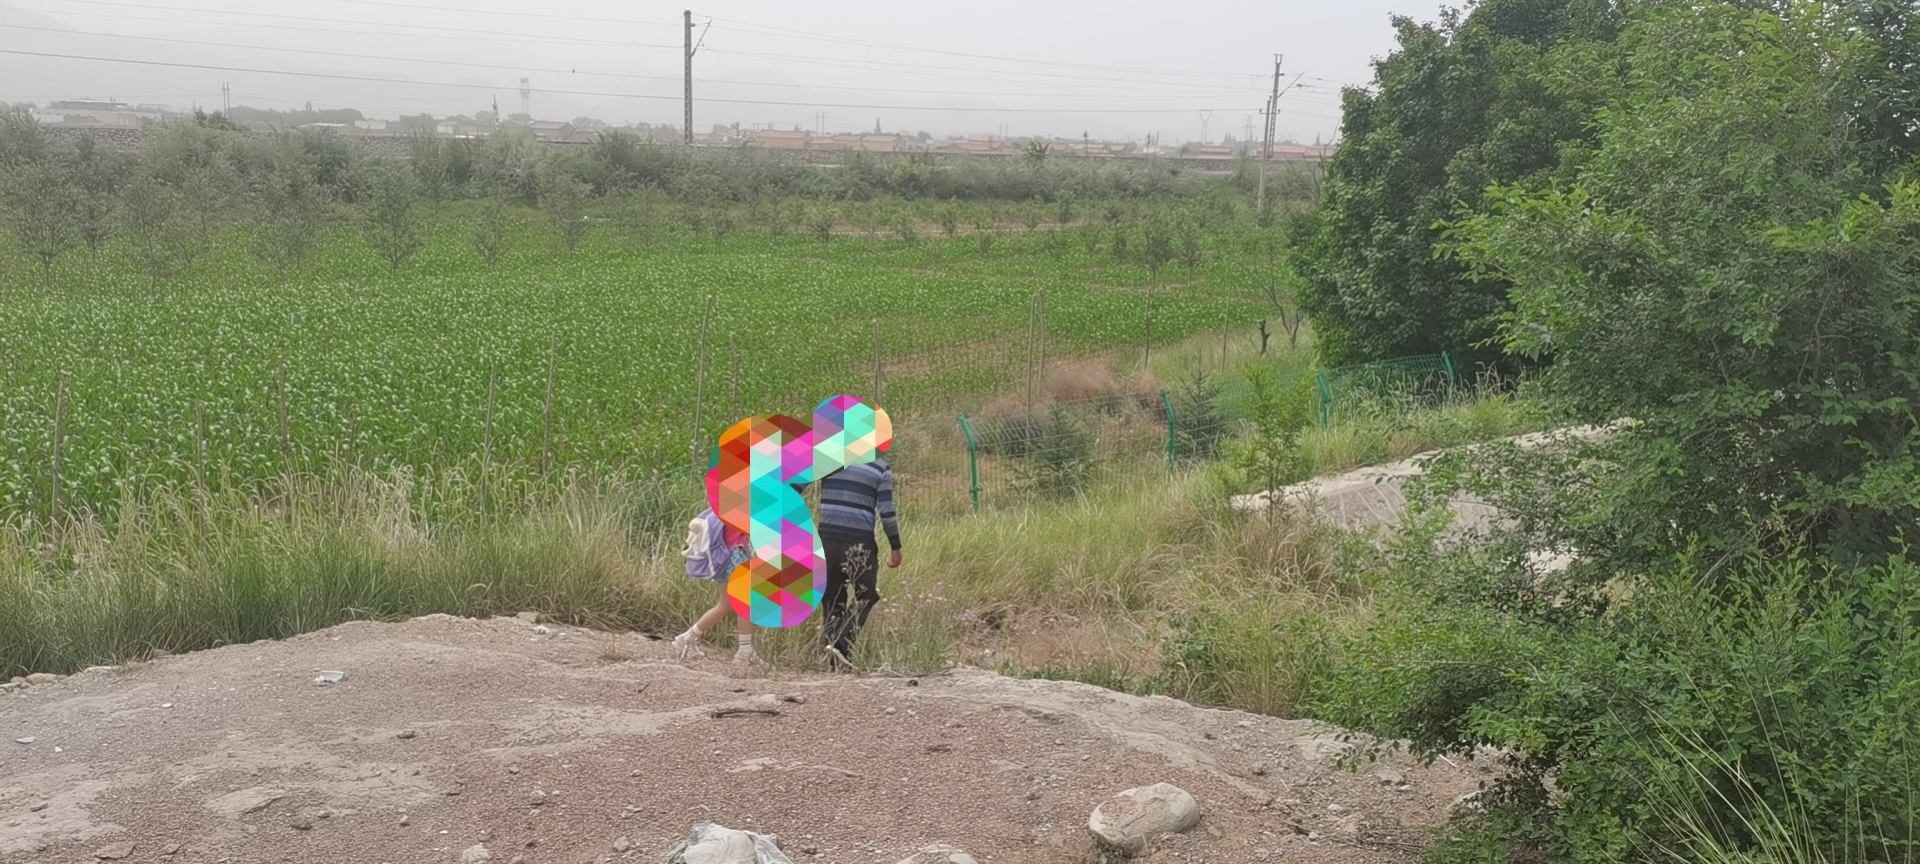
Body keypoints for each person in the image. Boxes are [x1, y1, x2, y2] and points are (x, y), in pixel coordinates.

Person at [815, 453, 901, 669]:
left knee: (832, 600)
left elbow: (795, 484)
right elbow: (887, 511)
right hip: (859, 544)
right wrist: (895, 545)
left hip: (827, 541)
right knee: (867, 595)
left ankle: (835, 662)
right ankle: (842, 645)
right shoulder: (880, 466)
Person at [673, 507, 757, 663]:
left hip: (724, 558)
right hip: (735, 557)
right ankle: (745, 652)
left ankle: (687, 638)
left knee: (725, 605)